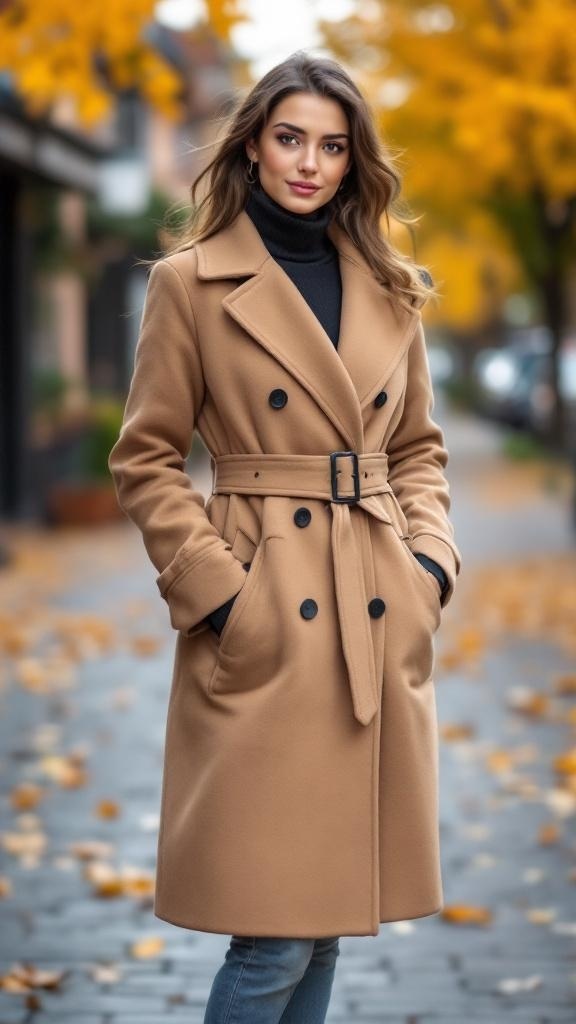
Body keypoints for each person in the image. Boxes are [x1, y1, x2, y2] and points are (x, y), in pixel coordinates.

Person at [108, 50, 461, 1024]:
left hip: (374, 606)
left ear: (354, 164)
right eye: (290, 138)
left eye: (332, 146)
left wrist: (430, 563)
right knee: (273, 933)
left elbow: (421, 449)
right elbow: (145, 460)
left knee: (323, 922)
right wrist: (223, 594)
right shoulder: (191, 285)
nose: (309, 162)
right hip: (268, 609)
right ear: (254, 146)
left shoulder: (393, 287)